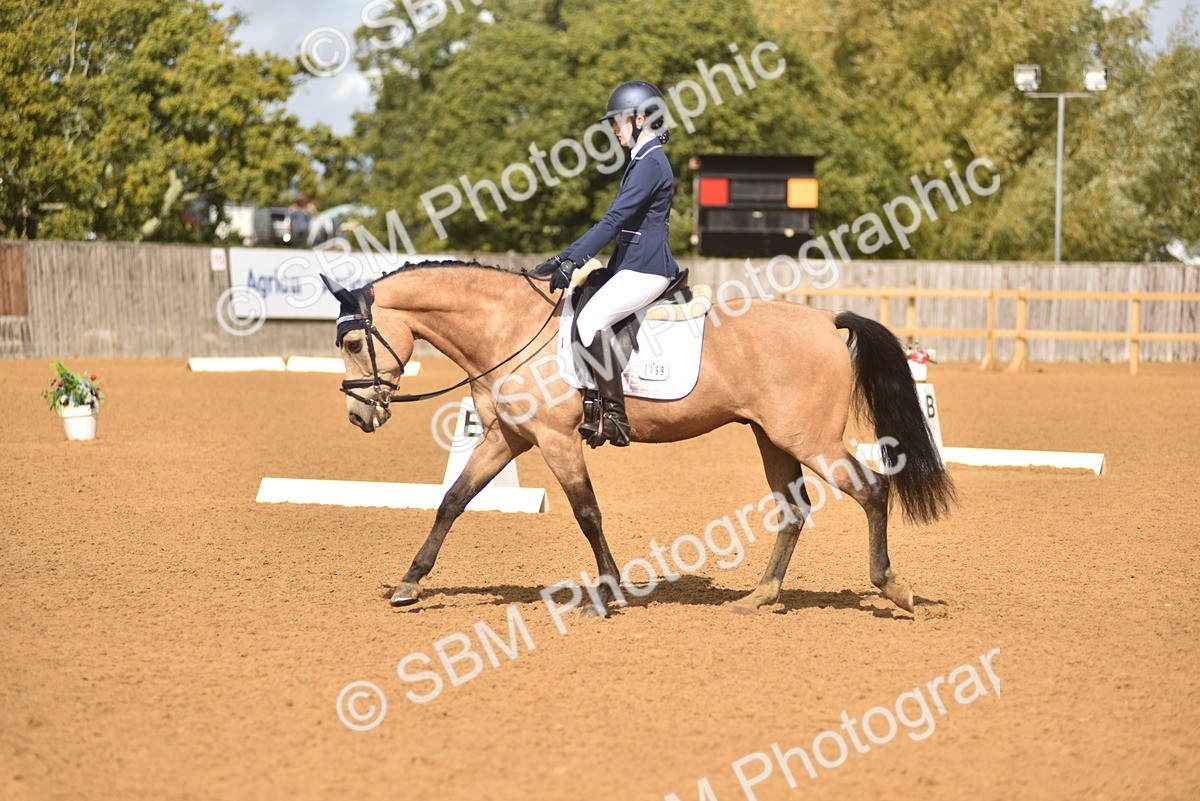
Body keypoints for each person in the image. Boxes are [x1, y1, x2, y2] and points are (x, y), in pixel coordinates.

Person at [534, 80, 680, 448]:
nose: (613, 129)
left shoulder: (651, 163)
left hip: (646, 269)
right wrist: (563, 257)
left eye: (617, 121)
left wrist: (574, 259)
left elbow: (613, 221)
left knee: (591, 319)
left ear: (642, 118)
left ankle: (615, 416)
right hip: (631, 265)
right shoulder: (641, 160)